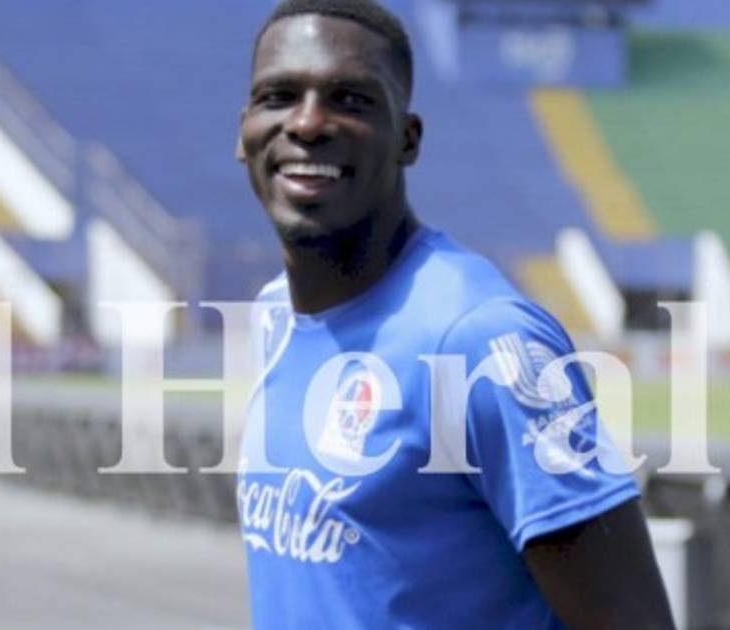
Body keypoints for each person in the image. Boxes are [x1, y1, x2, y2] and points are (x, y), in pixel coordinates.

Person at [234, 0, 674, 627]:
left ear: (408, 139)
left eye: (351, 100)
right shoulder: (274, 315)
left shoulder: (482, 341)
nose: (306, 123)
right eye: (278, 97)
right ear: (244, 132)